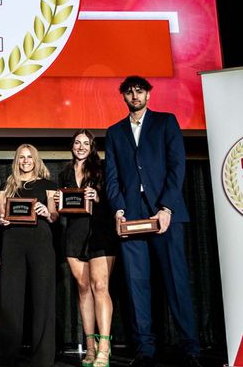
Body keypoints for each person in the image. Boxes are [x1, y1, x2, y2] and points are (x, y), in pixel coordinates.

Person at [105, 76, 202, 367]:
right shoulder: (114, 132)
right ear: (123, 96)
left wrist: (166, 207)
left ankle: (191, 349)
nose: (135, 95)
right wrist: (118, 209)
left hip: (164, 216)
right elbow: (112, 177)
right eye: (129, 91)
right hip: (132, 217)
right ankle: (145, 349)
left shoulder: (166, 122)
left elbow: (177, 166)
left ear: (148, 94)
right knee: (136, 286)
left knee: (177, 282)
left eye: (140, 91)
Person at [54, 130, 116, 367]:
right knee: (83, 289)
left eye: (85, 143)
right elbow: (61, 206)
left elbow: (115, 198)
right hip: (75, 234)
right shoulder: (64, 174)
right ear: (72, 146)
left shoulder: (103, 169)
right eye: (77, 143)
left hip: (100, 232)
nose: (81, 146)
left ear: (92, 147)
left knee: (100, 287)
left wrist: (99, 198)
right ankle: (89, 347)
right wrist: (58, 204)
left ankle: (104, 347)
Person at [0, 144, 59, 367]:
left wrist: (46, 211)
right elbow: (2, 216)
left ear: (36, 159)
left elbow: (54, 215)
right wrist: (2, 220)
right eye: (21, 157)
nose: (25, 161)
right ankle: (8, 354)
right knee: (10, 298)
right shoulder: (7, 186)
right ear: (16, 161)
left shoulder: (49, 185)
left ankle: (42, 357)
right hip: (12, 242)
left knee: (42, 298)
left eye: (29, 157)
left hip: (40, 241)